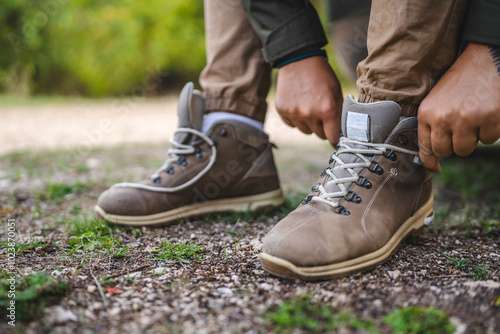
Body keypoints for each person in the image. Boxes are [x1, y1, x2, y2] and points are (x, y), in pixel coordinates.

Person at [96, 0, 500, 280]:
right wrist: (294, 52)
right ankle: (231, 129)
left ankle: (393, 143)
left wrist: (491, 48)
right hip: (367, 24)